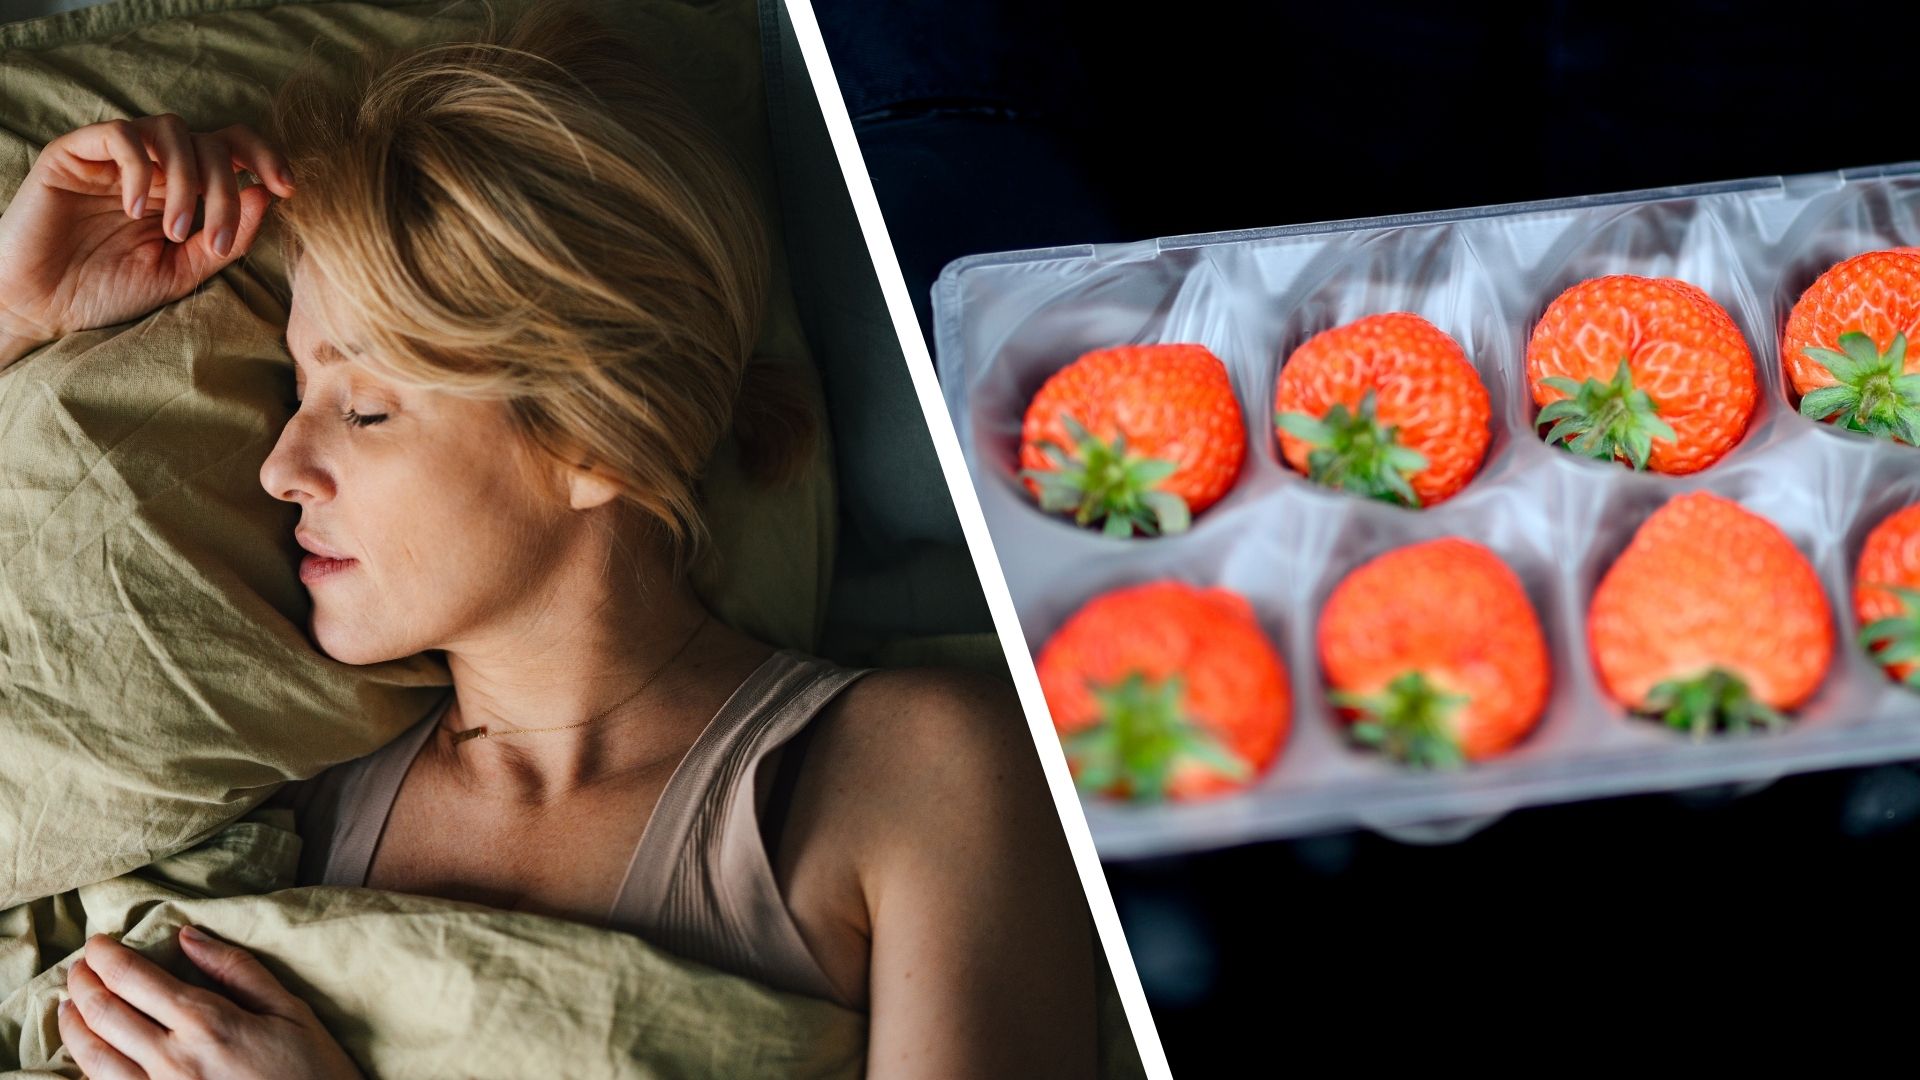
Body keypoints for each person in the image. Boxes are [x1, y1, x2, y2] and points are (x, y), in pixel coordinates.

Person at [0, 3, 1099, 1077]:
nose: (279, 468)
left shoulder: (922, 773)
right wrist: (17, 313)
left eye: (365, 408)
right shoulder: (268, 784)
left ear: (593, 440)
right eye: (297, 390)